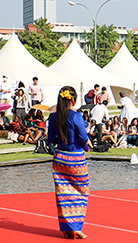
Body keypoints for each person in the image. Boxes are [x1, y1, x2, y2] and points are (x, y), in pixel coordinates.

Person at [47, 86, 91, 239]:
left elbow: (51, 139)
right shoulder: (76, 116)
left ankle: (67, 227)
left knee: (63, 193)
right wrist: (87, 145)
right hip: (75, 159)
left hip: (59, 157)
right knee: (81, 191)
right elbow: (83, 136)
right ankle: (75, 227)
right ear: (73, 99)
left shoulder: (53, 117)